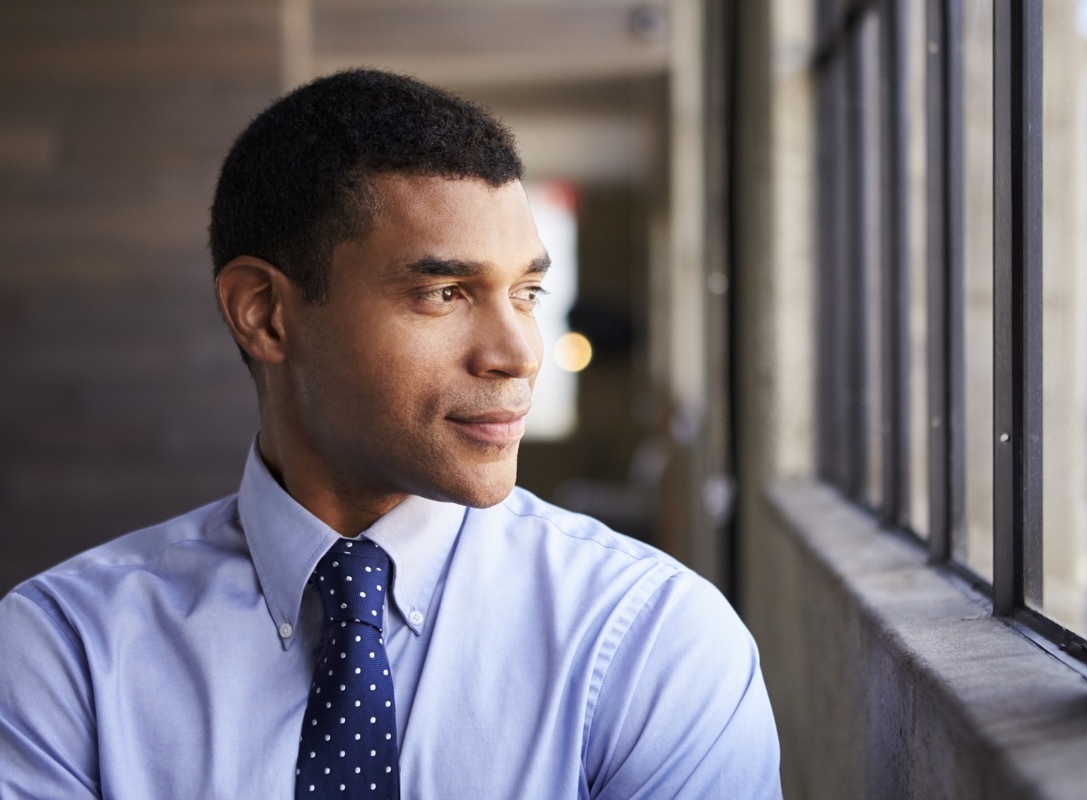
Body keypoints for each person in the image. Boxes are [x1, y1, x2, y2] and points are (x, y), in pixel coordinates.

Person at [0, 69, 782, 799]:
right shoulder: (65, 654)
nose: (519, 354)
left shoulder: (652, 639)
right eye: (444, 292)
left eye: (528, 292)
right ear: (265, 314)